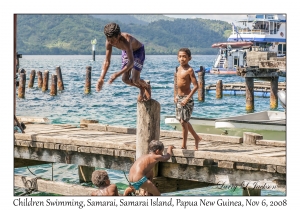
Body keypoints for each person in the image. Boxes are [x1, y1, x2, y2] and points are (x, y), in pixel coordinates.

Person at [96, 22, 151, 102]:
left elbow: (131, 62)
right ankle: (141, 88)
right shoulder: (109, 42)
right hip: (126, 51)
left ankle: (147, 86)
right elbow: (107, 61)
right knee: (125, 79)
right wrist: (101, 78)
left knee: (135, 79)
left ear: (118, 35)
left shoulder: (126, 40)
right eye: (109, 40)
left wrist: (117, 74)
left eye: (113, 40)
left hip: (138, 51)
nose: (111, 43)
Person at [175, 48, 202, 150]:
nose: (182, 59)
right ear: (177, 58)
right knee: (183, 121)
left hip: (187, 99)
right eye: (180, 56)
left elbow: (196, 86)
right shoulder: (178, 69)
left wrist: (187, 99)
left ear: (189, 58)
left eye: (184, 56)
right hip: (179, 98)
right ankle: (196, 137)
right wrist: (175, 96)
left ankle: (184, 145)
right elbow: (177, 84)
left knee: (183, 122)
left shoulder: (190, 70)